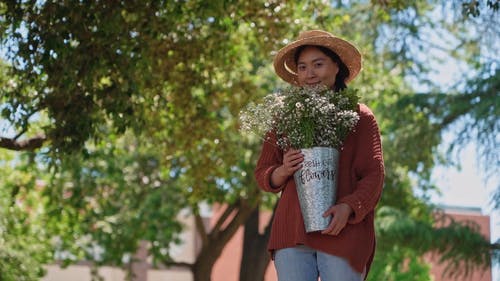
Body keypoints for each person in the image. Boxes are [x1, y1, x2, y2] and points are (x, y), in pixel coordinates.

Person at [255, 30, 385, 281]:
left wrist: (349, 207)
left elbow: (374, 175)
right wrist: (281, 171)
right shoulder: (284, 116)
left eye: (318, 64)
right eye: (302, 67)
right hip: (292, 233)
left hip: (344, 232)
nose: (309, 73)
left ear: (337, 66)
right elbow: (262, 172)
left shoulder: (361, 116)